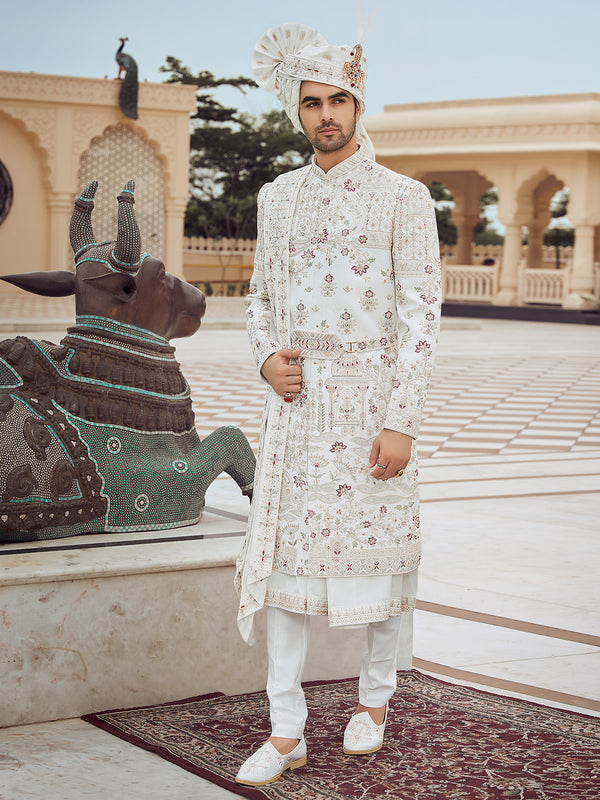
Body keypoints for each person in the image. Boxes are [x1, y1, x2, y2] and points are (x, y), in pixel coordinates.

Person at [234, 23, 441, 787]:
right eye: (312, 103)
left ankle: (375, 702)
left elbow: (423, 314)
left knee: (380, 571)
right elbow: (256, 298)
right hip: (296, 417)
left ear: (358, 104)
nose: (327, 115)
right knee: (286, 577)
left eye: (339, 101)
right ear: (297, 112)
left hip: (369, 413)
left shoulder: (402, 199)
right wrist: (264, 356)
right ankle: (287, 728)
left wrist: (401, 420)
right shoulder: (277, 197)